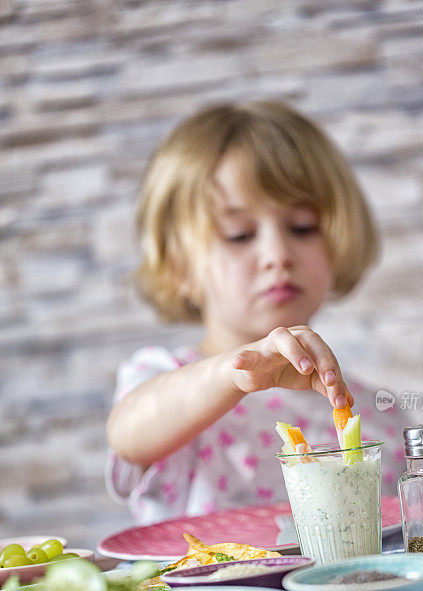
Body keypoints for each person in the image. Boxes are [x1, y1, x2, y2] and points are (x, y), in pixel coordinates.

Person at [106, 100, 407, 525]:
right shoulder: (167, 381)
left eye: (301, 227)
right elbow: (127, 435)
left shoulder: (376, 412)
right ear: (180, 268)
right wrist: (231, 374)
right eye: (239, 234)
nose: (277, 254)